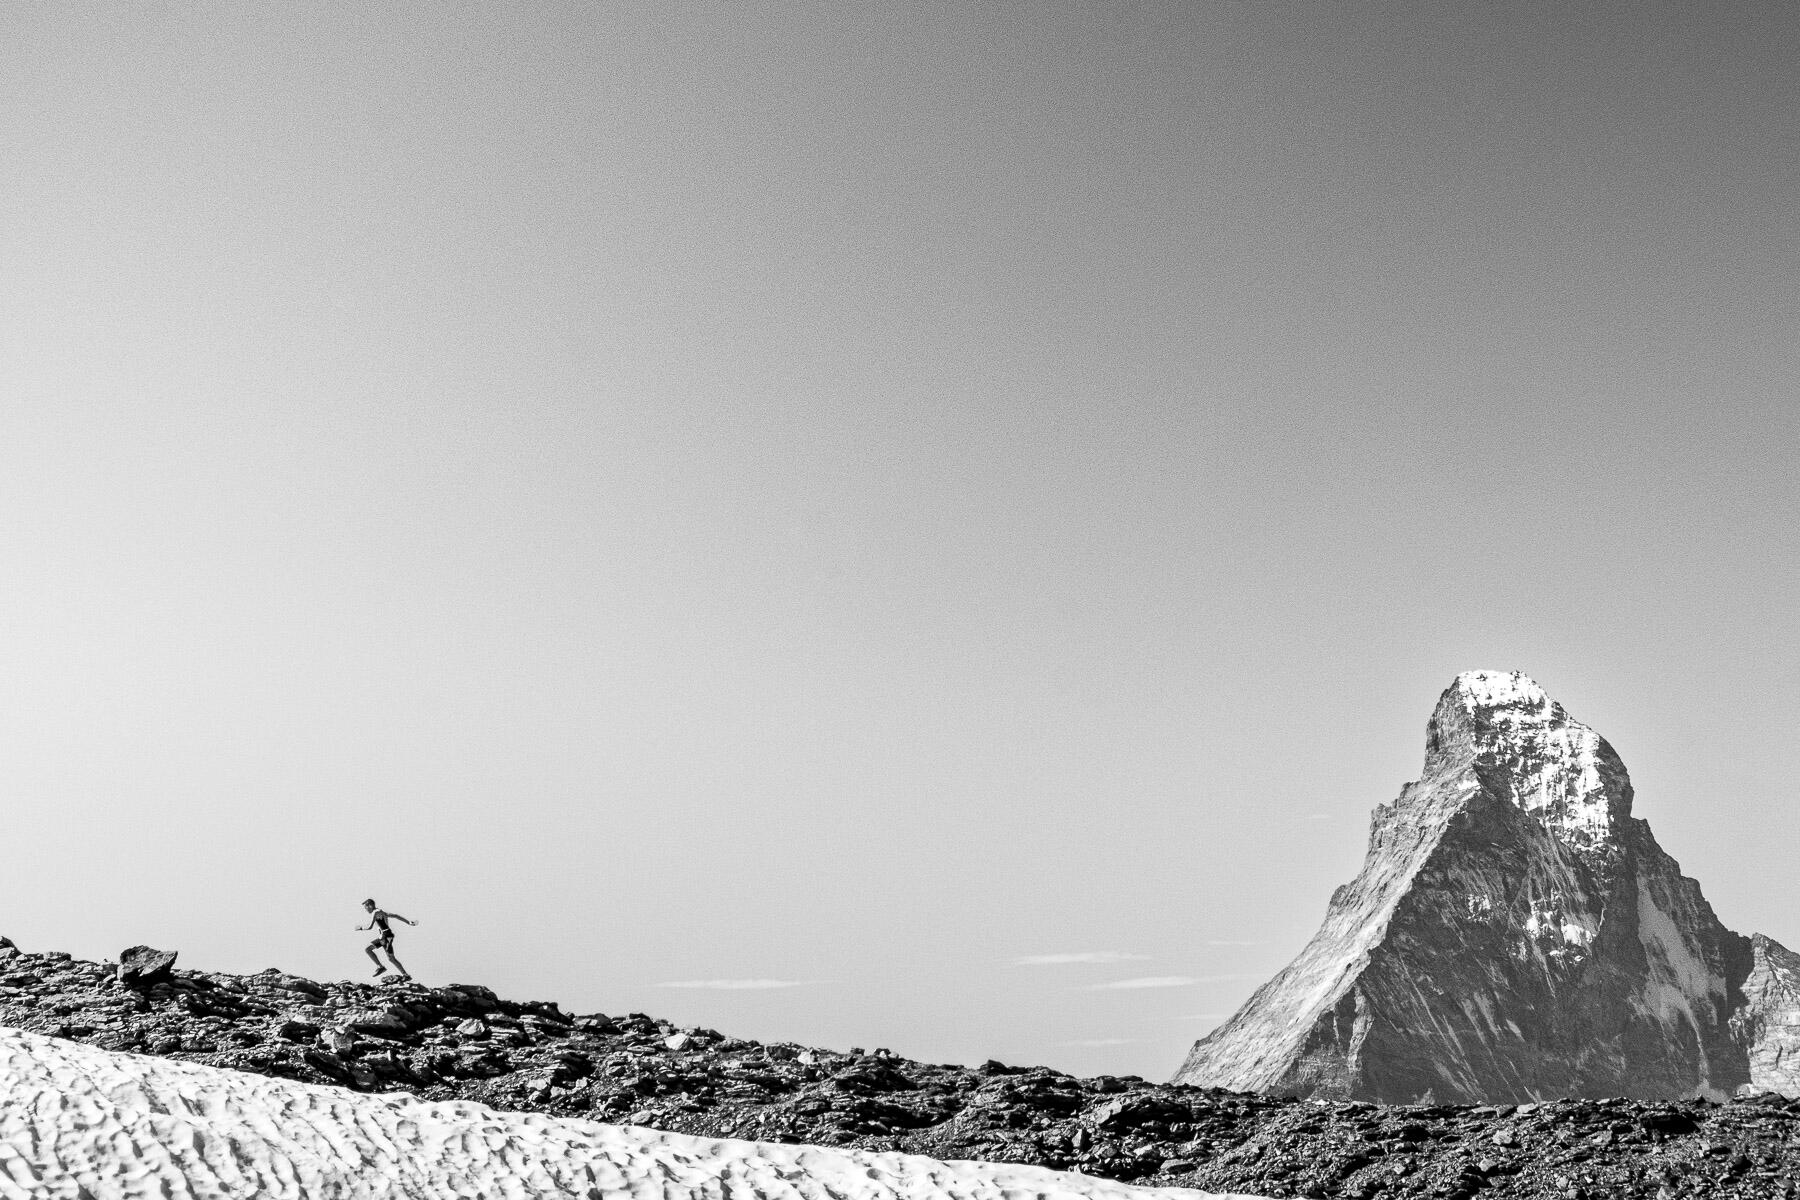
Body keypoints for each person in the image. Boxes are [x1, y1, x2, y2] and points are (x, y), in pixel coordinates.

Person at [356, 898, 418, 979]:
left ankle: (387, 969)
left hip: (386, 936)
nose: (365, 909)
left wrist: (361, 928)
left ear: (370, 906)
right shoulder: (381, 912)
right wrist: (408, 922)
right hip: (385, 936)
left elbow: (370, 926)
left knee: (385, 956)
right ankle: (402, 974)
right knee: (387, 957)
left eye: (366, 907)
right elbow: (395, 916)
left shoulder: (375, 912)